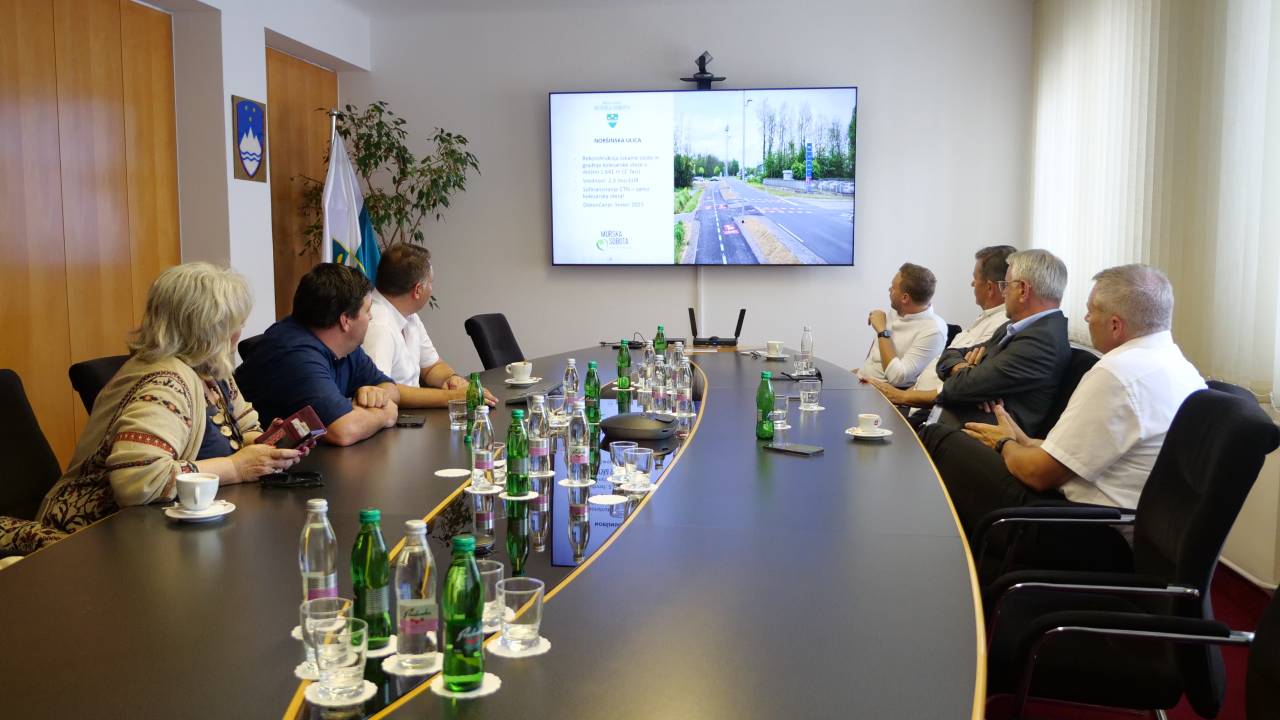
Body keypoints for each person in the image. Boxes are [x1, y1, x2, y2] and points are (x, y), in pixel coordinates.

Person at [0, 263, 305, 556]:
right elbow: (139, 481)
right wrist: (236, 468)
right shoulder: (165, 383)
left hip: (171, 528)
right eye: (233, 323)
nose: (239, 331)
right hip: (93, 538)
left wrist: (263, 446)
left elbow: (245, 426)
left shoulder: (211, 369)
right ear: (207, 328)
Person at [922, 264, 1205, 534]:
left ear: (1115, 325)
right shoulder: (1184, 370)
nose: (1086, 319)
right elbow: (1073, 456)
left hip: (1079, 525)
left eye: (1091, 311)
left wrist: (1003, 443)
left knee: (937, 438)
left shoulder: (1118, 373)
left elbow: (1037, 474)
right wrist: (1022, 439)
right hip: (1127, 522)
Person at [235, 264, 401, 447]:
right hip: (258, 460)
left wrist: (375, 394)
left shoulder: (346, 346)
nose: (371, 317)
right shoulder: (295, 353)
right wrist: (385, 414)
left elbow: (391, 389)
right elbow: (343, 431)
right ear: (345, 320)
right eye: (367, 310)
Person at [929, 248, 1071, 437]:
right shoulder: (1014, 326)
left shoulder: (1041, 341)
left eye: (1006, 285)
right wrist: (965, 370)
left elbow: (957, 389)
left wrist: (970, 381)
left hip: (973, 438)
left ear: (1023, 290)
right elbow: (951, 354)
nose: (1003, 293)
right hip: (953, 424)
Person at [863, 245, 1015, 419]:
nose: (972, 284)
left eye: (975, 278)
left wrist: (902, 396)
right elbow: (950, 363)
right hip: (911, 402)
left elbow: (968, 382)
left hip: (927, 412)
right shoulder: (984, 318)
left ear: (989, 288)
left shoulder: (1001, 327)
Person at [361, 244, 495, 408]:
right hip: (391, 417)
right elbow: (380, 390)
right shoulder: (378, 325)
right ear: (418, 290)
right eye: (430, 283)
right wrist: (451, 397)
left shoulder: (410, 316)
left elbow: (432, 367)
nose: (432, 289)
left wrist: (452, 378)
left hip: (412, 415)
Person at [856, 263, 948, 388]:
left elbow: (897, 378)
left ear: (904, 298)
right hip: (863, 382)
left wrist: (882, 331)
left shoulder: (934, 331)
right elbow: (874, 357)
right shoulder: (898, 310)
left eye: (893, 288)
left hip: (885, 394)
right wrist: (859, 374)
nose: (889, 290)